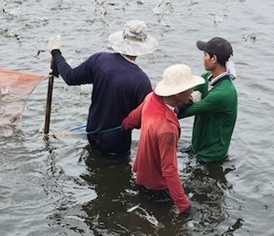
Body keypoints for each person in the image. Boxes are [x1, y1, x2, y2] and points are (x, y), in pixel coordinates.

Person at [47, 20, 158, 157]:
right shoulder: (141, 80)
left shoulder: (99, 60)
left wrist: (56, 53)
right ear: (142, 47)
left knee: (92, 162)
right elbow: (145, 119)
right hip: (117, 142)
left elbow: (70, 77)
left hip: (92, 132)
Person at [122, 64, 205, 215]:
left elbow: (133, 118)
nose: (192, 91)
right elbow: (170, 171)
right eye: (189, 89)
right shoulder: (168, 129)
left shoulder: (151, 99)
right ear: (177, 93)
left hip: (141, 177)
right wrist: (185, 207)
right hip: (158, 188)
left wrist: (124, 126)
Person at [178, 37, 238, 163]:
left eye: (205, 55)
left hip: (211, 154)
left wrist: (159, 109)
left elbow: (182, 112)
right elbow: (184, 94)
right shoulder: (206, 78)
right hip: (197, 146)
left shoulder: (223, 93)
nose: (203, 59)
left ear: (214, 59)